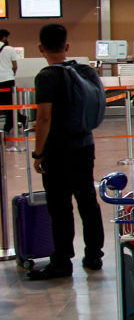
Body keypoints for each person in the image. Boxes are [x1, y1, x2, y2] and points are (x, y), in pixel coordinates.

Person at [27, 24, 105, 280]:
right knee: (87, 200)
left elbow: (44, 117)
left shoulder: (46, 76)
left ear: (41, 48)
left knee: (60, 206)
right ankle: (94, 255)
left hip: (58, 151)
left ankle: (61, 261)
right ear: (67, 46)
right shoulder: (83, 70)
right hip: (84, 145)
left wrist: (38, 153)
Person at [0, 29, 25, 133]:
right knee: (10, 102)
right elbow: (15, 66)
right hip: (8, 79)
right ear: (4, 38)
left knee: (4, 103)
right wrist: (12, 75)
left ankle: (11, 123)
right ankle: (18, 119)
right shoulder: (9, 49)